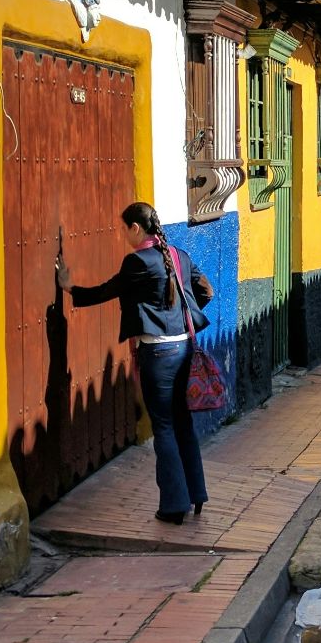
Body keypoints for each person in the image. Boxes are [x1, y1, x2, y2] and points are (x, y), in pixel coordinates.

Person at [57, 202, 214, 525]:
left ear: (135, 228)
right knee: (182, 422)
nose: (123, 235)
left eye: (123, 229)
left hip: (157, 354)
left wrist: (69, 288)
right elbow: (206, 291)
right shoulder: (179, 256)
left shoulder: (137, 262)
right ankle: (196, 494)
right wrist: (176, 316)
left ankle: (173, 506)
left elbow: (107, 291)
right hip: (185, 347)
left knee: (165, 427)